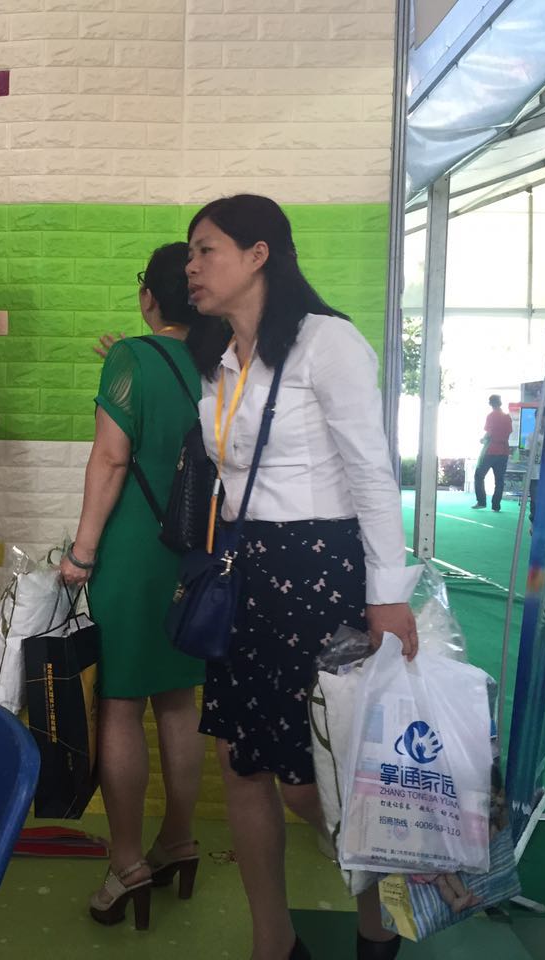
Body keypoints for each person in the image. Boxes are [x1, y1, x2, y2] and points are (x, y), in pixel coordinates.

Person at [184, 194, 418, 960]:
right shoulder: (221, 357)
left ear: (259, 255)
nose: (192, 267)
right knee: (241, 762)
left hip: (319, 573)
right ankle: (274, 942)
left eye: (206, 250)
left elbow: (372, 474)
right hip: (245, 573)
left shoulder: (327, 342)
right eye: (189, 254)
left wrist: (388, 595)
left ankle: (380, 919)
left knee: (316, 779)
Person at [58, 243, 213, 931]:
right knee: (178, 701)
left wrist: (81, 552)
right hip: (192, 556)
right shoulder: (219, 361)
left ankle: (126, 862)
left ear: (149, 296)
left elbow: (112, 459)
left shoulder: (131, 358)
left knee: (119, 705)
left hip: (130, 553)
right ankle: (178, 839)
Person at [472, 395, 514, 511]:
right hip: (504, 451)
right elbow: (509, 432)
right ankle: (496, 505)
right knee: (499, 480)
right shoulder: (507, 417)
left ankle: (481, 501)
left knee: (479, 475)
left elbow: (489, 432)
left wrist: (483, 439)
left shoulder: (491, 416)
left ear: (490, 403)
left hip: (491, 450)